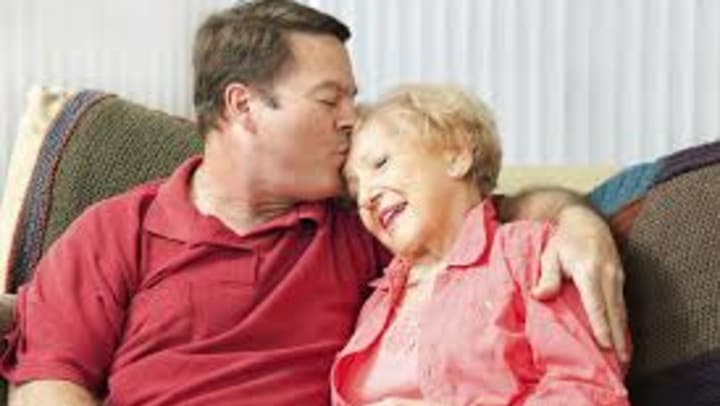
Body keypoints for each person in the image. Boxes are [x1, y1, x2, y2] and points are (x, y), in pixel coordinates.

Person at [0, 1, 626, 405]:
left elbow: (488, 215)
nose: (354, 122)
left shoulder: (361, 228)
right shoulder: (114, 231)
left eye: (353, 102)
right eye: (331, 102)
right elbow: (51, 385)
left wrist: (576, 219)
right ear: (242, 106)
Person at [331, 85, 629, 405]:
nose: (367, 196)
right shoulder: (376, 302)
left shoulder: (527, 255)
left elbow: (587, 390)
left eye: (380, 163)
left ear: (457, 155)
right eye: (355, 190)